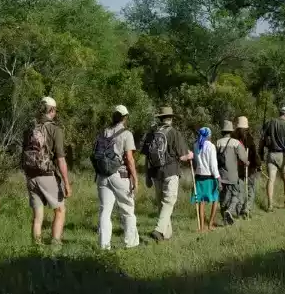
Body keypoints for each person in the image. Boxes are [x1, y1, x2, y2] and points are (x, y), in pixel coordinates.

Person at [22, 96, 71, 247]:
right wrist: (67, 183)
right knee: (60, 209)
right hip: (47, 174)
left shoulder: (29, 130)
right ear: (52, 110)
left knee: (37, 216)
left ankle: (36, 247)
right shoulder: (55, 129)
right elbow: (60, 159)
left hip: (30, 175)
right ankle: (55, 245)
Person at [141, 105, 193, 242]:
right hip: (170, 171)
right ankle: (159, 230)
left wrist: (147, 176)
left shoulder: (151, 133)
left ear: (161, 118)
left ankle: (166, 234)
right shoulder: (174, 133)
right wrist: (190, 155)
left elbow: (146, 157)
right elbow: (182, 156)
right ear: (171, 118)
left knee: (161, 204)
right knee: (169, 202)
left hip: (155, 173)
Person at [92, 105, 139, 250]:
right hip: (120, 175)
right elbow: (129, 158)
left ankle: (104, 245)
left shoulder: (104, 132)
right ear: (125, 117)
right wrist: (135, 178)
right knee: (127, 210)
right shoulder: (127, 134)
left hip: (102, 176)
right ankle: (130, 244)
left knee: (105, 211)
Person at [259, 106, 285, 210]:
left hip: (271, 155)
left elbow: (262, 140)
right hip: (283, 155)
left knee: (271, 180)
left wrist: (260, 154)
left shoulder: (269, 123)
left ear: (280, 113)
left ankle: (270, 204)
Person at [214, 120, 248, 227]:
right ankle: (230, 210)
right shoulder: (236, 143)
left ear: (223, 131)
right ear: (231, 131)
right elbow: (243, 158)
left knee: (223, 196)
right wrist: (247, 162)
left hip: (220, 175)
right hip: (233, 175)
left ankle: (225, 218)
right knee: (235, 194)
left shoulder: (217, 142)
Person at [190, 126, 220, 232]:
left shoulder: (195, 145)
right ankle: (210, 224)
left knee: (201, 201)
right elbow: (213, 164)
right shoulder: (211, 146)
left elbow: (195, 161)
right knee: (215, 199)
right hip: (210, 176)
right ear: (209, 135)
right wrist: (218, 177)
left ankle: (202, 227)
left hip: (199, 176)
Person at [233, 116, 259, 218]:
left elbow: (253, 153)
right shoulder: (247, 138)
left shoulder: (234, 137)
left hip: (243, 168)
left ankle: (244, 209)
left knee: (244, 189)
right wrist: (257, 164)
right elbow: (254, 153)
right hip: (242, 168)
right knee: (247, 189)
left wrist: (257, 164)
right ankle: (244, 209)